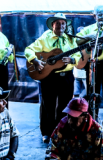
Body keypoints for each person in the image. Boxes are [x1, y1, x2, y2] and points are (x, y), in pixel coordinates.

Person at [25, 13, 81, 143]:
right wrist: (35, 61)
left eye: (63, 23)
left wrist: (73, 59)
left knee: (65, 105)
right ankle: (46, 132)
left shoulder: (70, 39)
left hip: (66, 77)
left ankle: (61, 131)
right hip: (49, 77)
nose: (61, 26)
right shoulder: (45, 38)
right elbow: (29, 49)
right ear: (52, 25)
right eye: (57, 23)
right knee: (47, 105)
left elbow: (78, 54)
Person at [76, 5, 103, 136]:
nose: (102, 17)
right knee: (91, 93)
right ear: (94, 15)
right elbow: (77, 41)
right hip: (91, 64)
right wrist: (89, 37)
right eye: (99, 14)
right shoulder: (88, 29)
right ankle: (91, 121)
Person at [73, 26, 87, 98]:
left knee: (85, 91)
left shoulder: (87, 45)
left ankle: (78, 100)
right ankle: (77, 101)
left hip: (83, 71)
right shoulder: (75, 44)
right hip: (78, 71)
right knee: (77, 91)